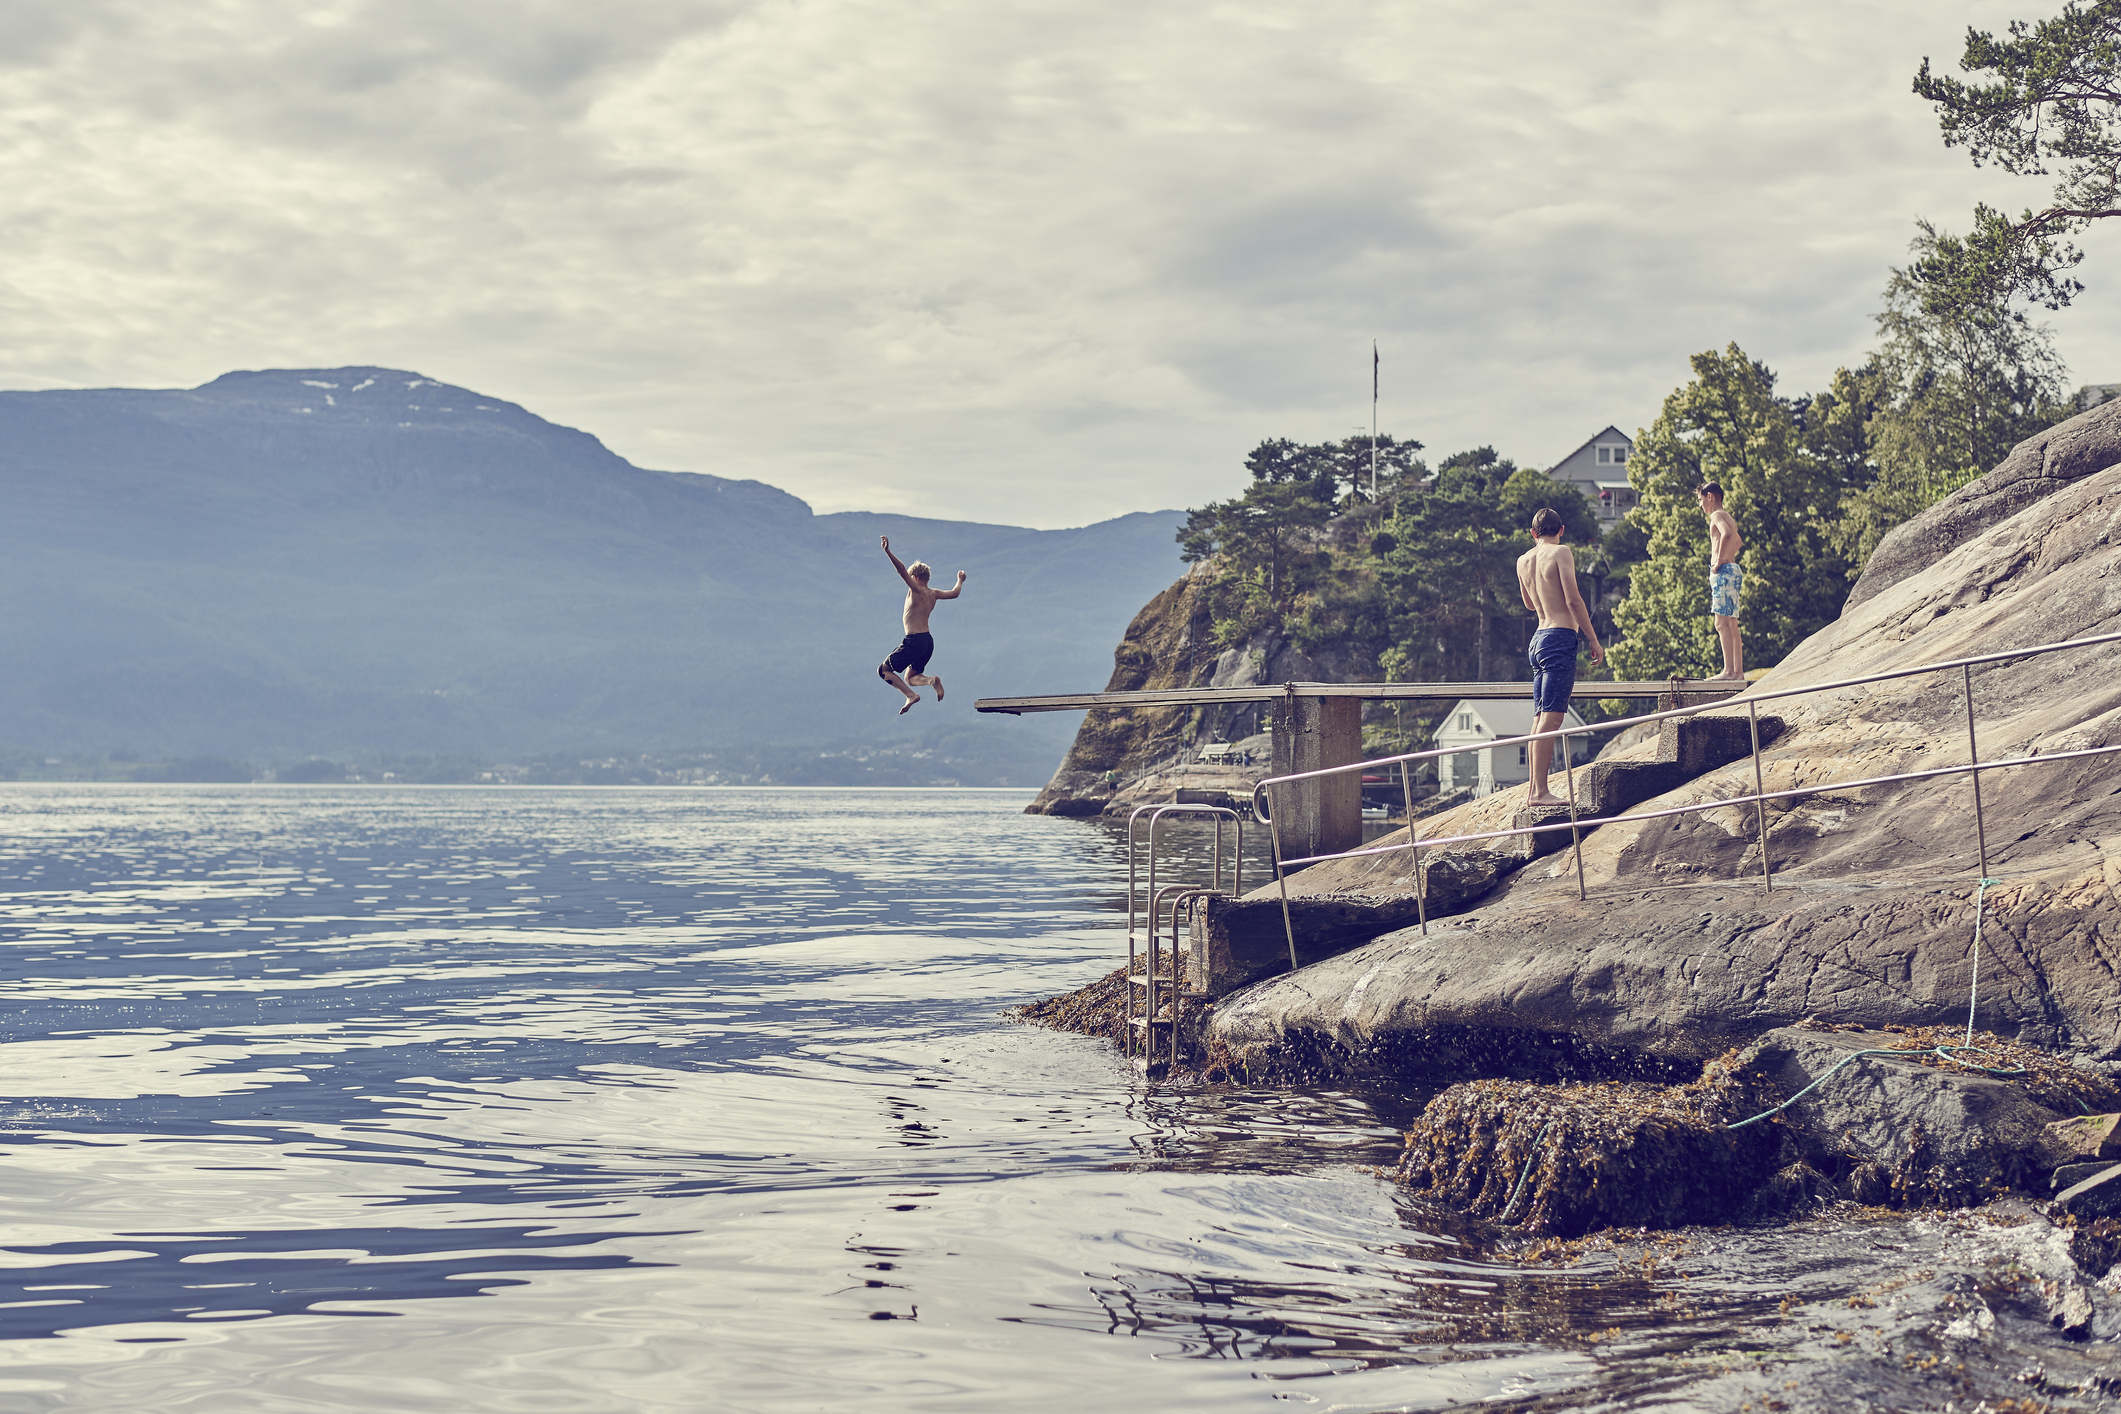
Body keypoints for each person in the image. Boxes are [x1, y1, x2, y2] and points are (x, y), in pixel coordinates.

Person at [1515, 507, 1604, 806]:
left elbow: (1529, 603)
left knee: (1540, 717)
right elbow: (1573, 599)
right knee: (1551, 719)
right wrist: (1592, 639)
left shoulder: (1523, 560)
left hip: (1538, 639)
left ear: (1533, 533)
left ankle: (1534, 790)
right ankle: (1539, 792)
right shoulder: (1561, 552)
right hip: (1559, 637)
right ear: (1561, 529)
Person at [877, 536, 966, 715]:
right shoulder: (934, 593)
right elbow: (955, 593)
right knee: (910, 677)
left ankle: (910, 696)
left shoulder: (916, 590)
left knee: (883, 670)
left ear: (915, 577)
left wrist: (887, 551)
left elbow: (901, 569)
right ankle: (931, 681)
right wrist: (960, 580)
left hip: (914, 641)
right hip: (927, 642)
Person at [1697, 481, 1745, 681]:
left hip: (1724, 572)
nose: (1700, 505)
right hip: (1733, 570)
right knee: (1731, 622)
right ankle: (1737, 672)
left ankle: (1728, 672)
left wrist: (1718, 560)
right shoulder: (1729, 516)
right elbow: (1738, 541)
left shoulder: (1716, 515)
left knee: (1721, 623)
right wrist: (1728, 556)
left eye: (1701, 500)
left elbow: (1726, 534)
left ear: (1711, 496)